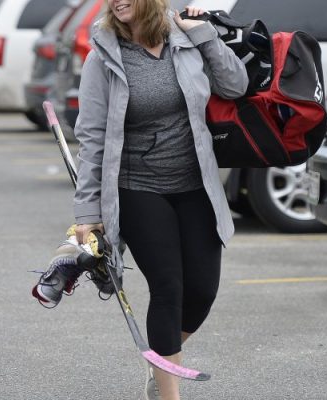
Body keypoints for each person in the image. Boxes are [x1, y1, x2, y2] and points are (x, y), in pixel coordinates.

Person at [71, 1, 248, 399]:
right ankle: (169, 392)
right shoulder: (103, 58)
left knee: (201, 291)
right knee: (168, 287)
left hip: (195, 183)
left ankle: (163, 360)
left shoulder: (185, 37)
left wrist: (204, 33)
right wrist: (86, 211)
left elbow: (235, 85)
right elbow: (92, 139)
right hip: (138, 187)